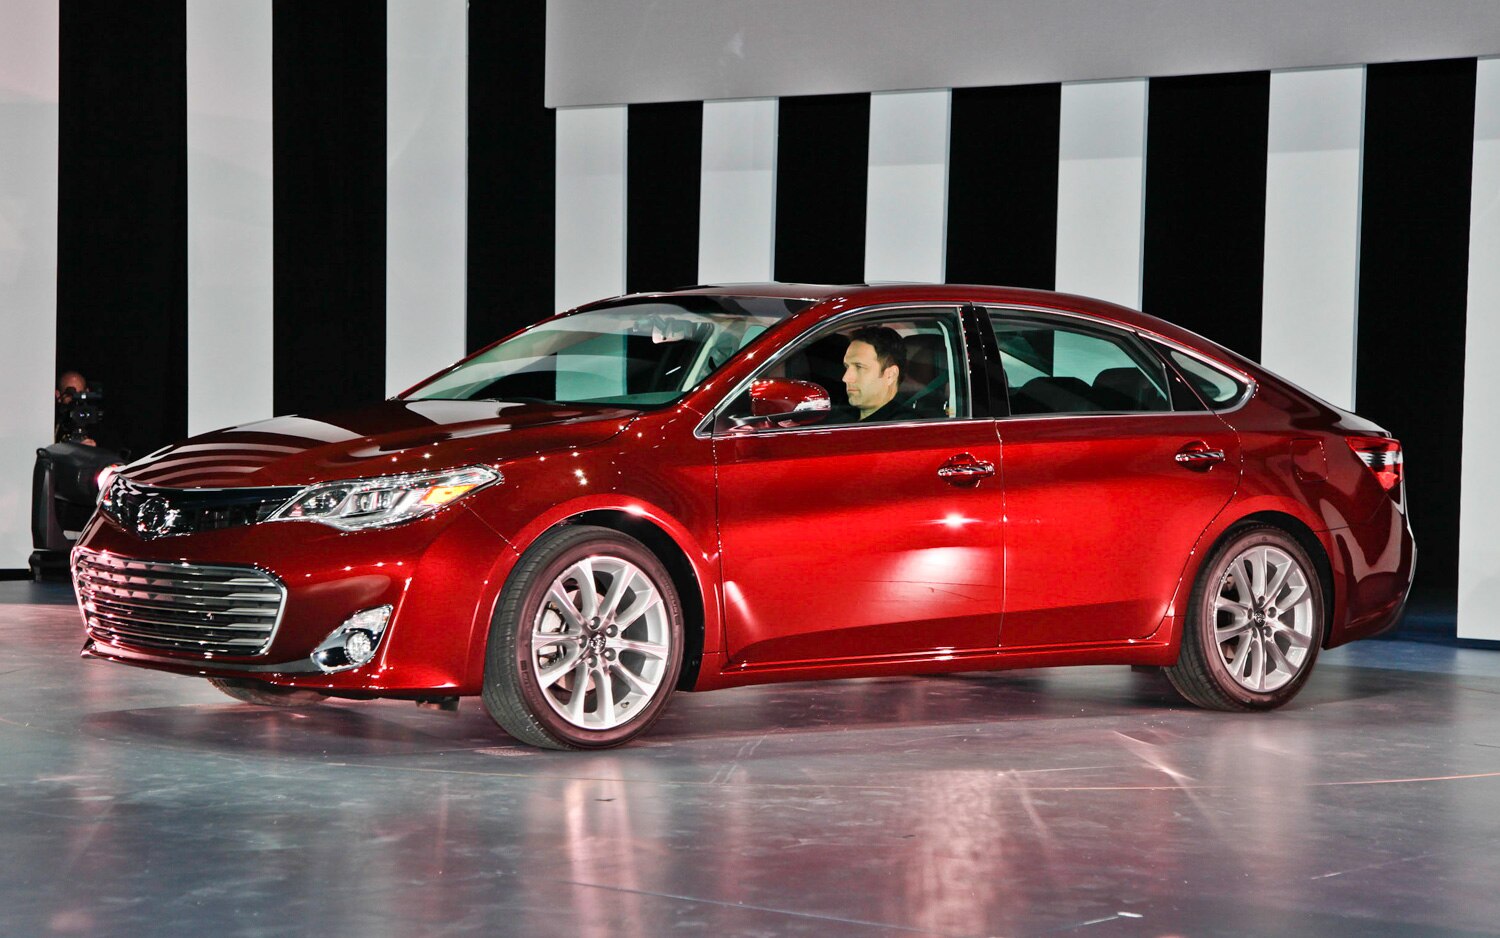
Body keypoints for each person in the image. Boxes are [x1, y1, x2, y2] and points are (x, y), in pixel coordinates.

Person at [835, 326, 908, 423]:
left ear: (891, 375)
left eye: (859, 367)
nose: (846, 378)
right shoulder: (840, 416)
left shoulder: (902, 430)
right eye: (847, 367)